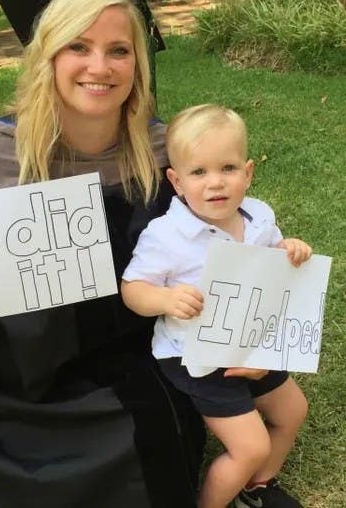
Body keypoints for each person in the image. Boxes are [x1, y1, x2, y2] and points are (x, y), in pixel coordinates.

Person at [0, 0, 207, 506]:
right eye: (78, 47)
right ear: (47, 58)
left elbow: (215, 229)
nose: (99, 66)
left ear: (138, 64)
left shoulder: (159, 149)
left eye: (118, 50)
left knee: (161, 463)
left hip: (133, 349)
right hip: (30, 365)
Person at [121, 104, 311, 508]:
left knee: (293, 411)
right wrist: (165, 299)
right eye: (198, 172)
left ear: (248, 172)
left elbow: (273, 263)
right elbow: (132, 289)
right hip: (196, 356)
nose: (215, 183)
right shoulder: (167, 235)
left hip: (250, 341)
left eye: (227, 168)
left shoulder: (259, 217)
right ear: (176, 180)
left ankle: (255, 489)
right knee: (251, 446)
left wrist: (288, 249)